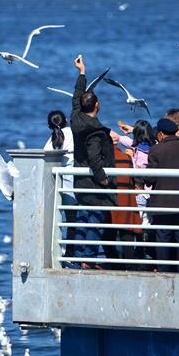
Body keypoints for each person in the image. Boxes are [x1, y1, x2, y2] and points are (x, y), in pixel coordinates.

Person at [70, 55, 115, 269]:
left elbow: (76, 97)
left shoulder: (76, 119)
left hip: (79, 178)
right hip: (93, 181)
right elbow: (95, 157)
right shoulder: (95, 130)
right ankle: (88, 257)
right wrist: (103, 179)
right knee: (95, 216)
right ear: (97, 104)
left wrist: (82, 73)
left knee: (82, 216)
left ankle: (80, 255)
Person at [148, 117, 179, 273]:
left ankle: (164, 272)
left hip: (162, 204)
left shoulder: (156, 150)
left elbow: (150, 178)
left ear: (161, 134)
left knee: (163, 238)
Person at [44, 110, 76, 263]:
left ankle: (65, 255)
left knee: (63, 222)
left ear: (49, 126)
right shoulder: (73, 133)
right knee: (75, 222)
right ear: (67, 120)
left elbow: (43, 158)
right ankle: (74, 253)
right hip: (77, 187)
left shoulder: (51, 142)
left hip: (60, 188)